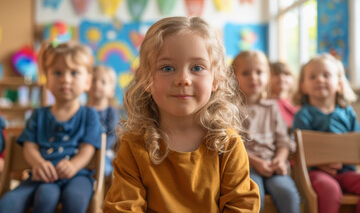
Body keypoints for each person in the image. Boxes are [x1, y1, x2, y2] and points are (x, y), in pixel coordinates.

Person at [103, 16, 260, 212]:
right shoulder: (134, 145)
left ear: (216, 79)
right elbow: (123, 207)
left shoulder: (227, 144)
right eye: (167, 68)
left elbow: (241, 205)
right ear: (147, 79)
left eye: (197, 68)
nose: (183, 79)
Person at [0, 41, 102, 213]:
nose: (65, 79)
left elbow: (88, 148)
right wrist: (38, 163)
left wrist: (74, 165)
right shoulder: (38, 115)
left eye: (74, 73)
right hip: (40, 176)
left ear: (87, 81)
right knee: (7, 204)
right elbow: (29, 146)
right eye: (57, 72)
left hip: (77, 176)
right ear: (46, 79)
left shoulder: (89, 115)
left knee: (74, 200)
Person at [232, 50, 300, 213]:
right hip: (245, 166)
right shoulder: (231, 109)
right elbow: (231, 146)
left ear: (267, 76)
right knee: (254, 196)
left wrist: (280, 159)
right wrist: (256, 163)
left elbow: (283, 140)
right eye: (246, 73)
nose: (253, 77)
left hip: (273, 164)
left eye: (259, 72)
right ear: (234, 77)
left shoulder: (272, 107)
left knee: (288, 194)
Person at [293, 53, 360, 213]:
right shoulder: (304, 115)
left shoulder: (348, 113)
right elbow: (300, 150)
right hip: (316, 172)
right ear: (303, 85)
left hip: (346, 170)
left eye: (326, 75)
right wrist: (319, 163)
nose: (320, 80)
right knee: (329, 189)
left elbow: (356, 144)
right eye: (313, 76)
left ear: (339, 83)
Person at [88, 65, 119, 177]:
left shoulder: (111, 111)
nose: (97, 84)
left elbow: (112, 134)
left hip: (104, 152)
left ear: (111, 91)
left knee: (106, 170)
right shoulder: (83, 110)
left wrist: (99, 149)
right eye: (94, 80)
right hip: (82, 151)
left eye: (103, 82)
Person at [269, 61, 299, 128]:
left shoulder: (297, 103)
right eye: (276, 74)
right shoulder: (267, 104)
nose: (281, 77)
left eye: (286, 74)